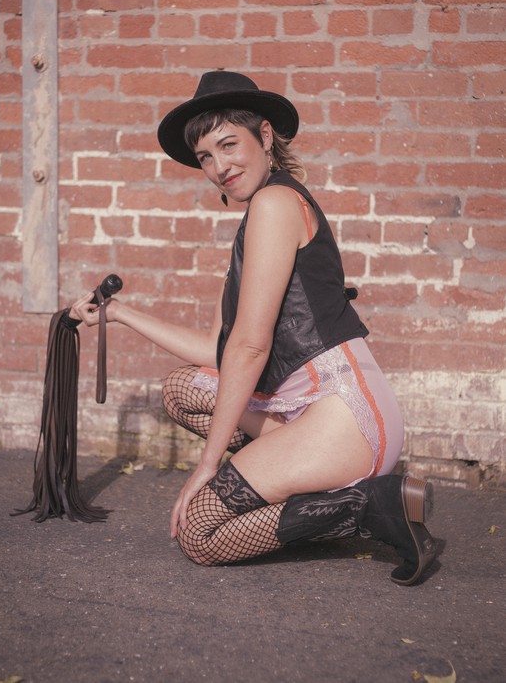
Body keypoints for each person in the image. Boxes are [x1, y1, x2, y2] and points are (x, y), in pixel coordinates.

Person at [70, 70, 436, 585]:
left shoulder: (274, 203)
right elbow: (219, 350)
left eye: (228, 145)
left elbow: (248, 348)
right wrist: (121, 314)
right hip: (304, 414)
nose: (219, 168)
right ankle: (308, 481)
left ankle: (372, 505)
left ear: (265, 136)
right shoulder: (260, 218)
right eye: (205, 157)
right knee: (182, 389)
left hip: (346, 417)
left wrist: (207, 466)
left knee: (201, 534)